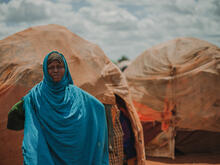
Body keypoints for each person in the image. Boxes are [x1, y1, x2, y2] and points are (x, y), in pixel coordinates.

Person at [7, 51, 109, 165]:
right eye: (51, 67)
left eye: (59, 67)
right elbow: (14, 117)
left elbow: (98, 107)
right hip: (48, 153)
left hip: (75, 154)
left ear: (65, 69)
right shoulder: (36, 95)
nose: (55, 71)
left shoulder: (77, 94)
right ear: (46, 70)